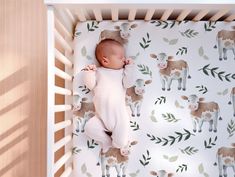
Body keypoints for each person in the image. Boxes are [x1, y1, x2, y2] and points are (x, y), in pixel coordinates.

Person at [82, 39, 135, 156]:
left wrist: (130, 68)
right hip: (100, 117)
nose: (124, 59)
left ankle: (116, 143)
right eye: (120, 57)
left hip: (120, 117)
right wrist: (89, 73)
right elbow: (90, 85)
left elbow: (129, 83)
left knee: (120, 143)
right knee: (89, 129)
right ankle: (106, 141)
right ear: (105, 60)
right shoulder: (98, 72)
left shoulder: (122, 72)